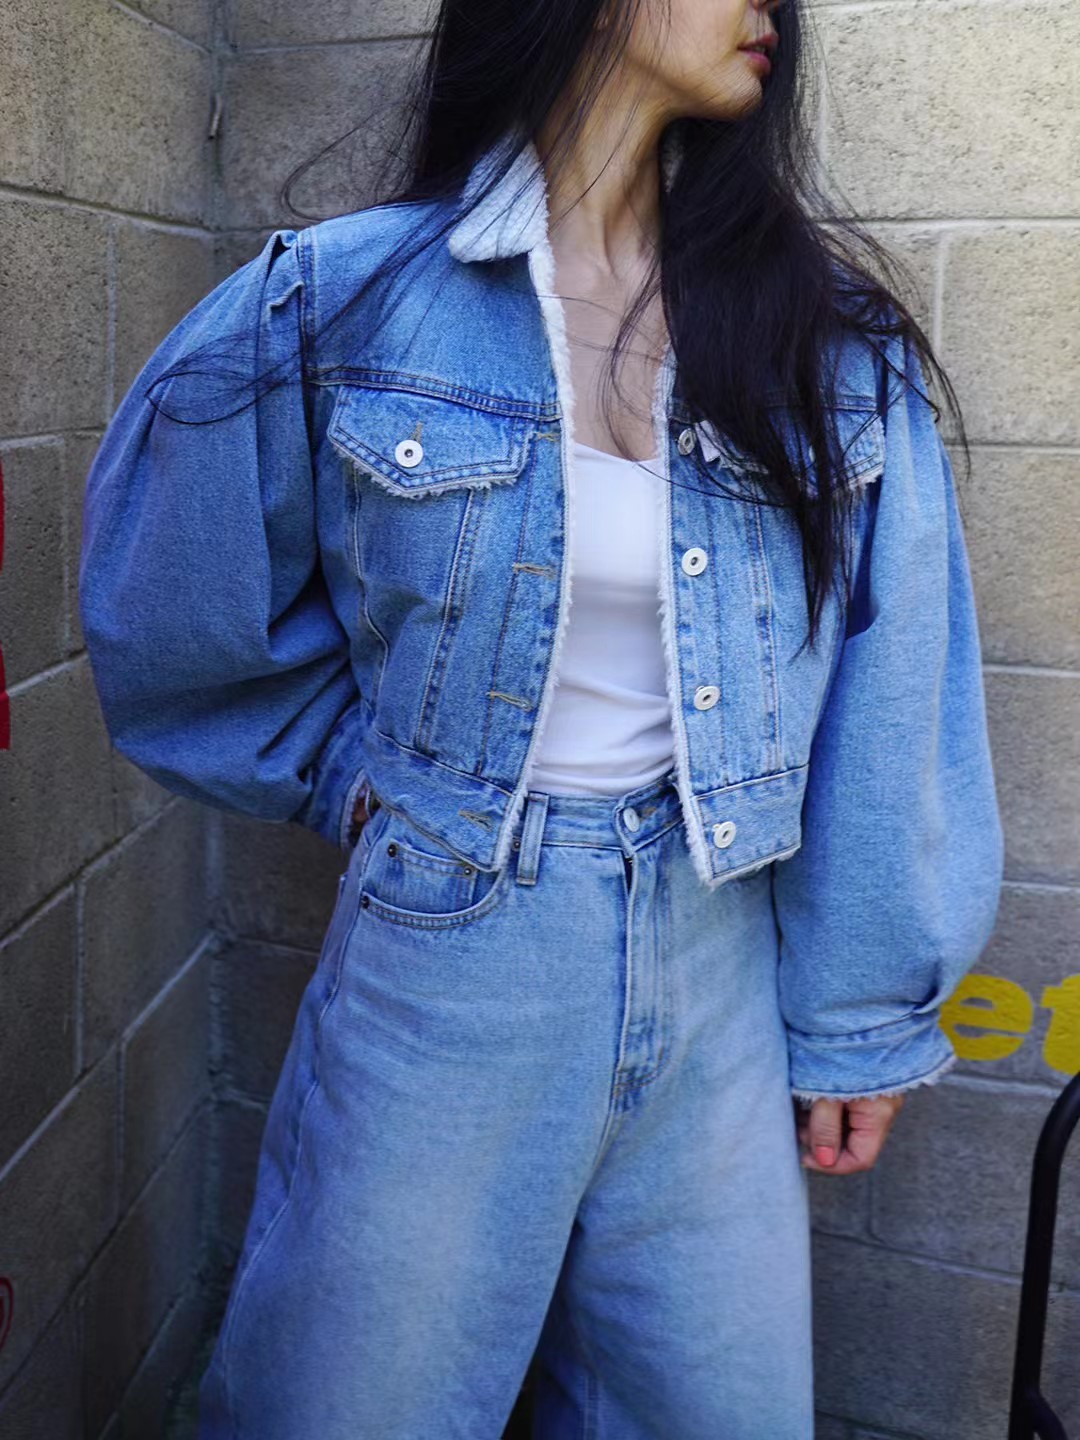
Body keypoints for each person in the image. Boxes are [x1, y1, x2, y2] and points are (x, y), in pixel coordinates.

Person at [78, 0, 1004, 1434]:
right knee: (353, 1406)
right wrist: (360, 778)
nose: (771, 9)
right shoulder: (341, 301)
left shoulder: (829, 343)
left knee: (718, 1413)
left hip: (721, 963)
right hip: (449, 954)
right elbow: (170, 619)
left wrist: (862, 1015)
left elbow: (898, 702)